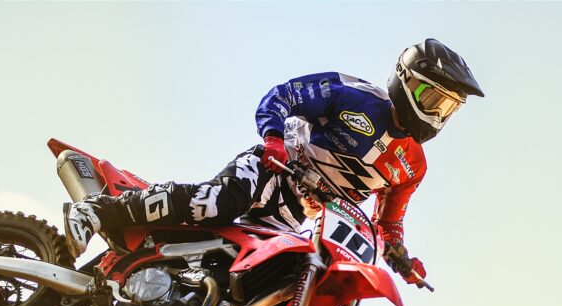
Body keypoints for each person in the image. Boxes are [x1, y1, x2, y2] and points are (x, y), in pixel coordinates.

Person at [65, 39, 484, 288]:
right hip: (270, 171)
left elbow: (387, 224)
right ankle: (99, 210)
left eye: (448, 107)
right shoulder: (352, 95)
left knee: (266, 282)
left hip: (296, 218)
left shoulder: (412, 167)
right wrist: (274, 141)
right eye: (433, 98)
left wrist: (401, 259)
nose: (438, 113)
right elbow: (281, 96)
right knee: (215, 203)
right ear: (406, 80)